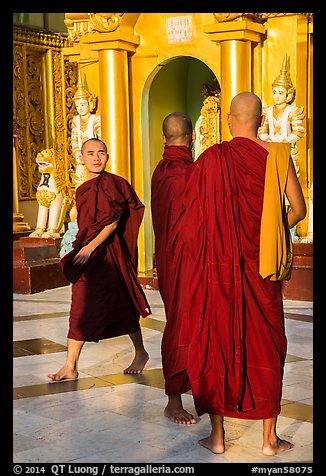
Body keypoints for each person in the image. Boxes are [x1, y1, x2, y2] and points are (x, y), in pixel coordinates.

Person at [180, 92, 306, 455]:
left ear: (229, 121)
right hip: (262, 268)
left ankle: (218, 438)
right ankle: (269, 440)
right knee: (267, 343)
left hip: (218, 271)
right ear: (262, 120)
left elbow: (191, 222)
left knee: (218, 339)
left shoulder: (211, 159)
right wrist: (269, 230)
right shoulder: (278, 155)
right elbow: (298, 210)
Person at [48, 138, 151, 381]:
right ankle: (70, 365)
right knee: (80, 306)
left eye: (101, 153)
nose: (96, 157)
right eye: (91, 153)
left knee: (124, 302)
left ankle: (140, 352)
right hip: (90, 253)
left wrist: (89, 248)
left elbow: (113, 221)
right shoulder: (83, 188)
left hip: (108, 253)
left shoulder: (113, 184)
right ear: (81, 158)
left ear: (107, 156)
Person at [151, 112, 196, 424]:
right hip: (188, 260)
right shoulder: (187, 173)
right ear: (192, 138)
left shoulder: (160, 171)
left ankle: (195, 388)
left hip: (168, 260)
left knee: (185, 321)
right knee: (182, 324)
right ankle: (173, 400)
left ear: (164, 140)